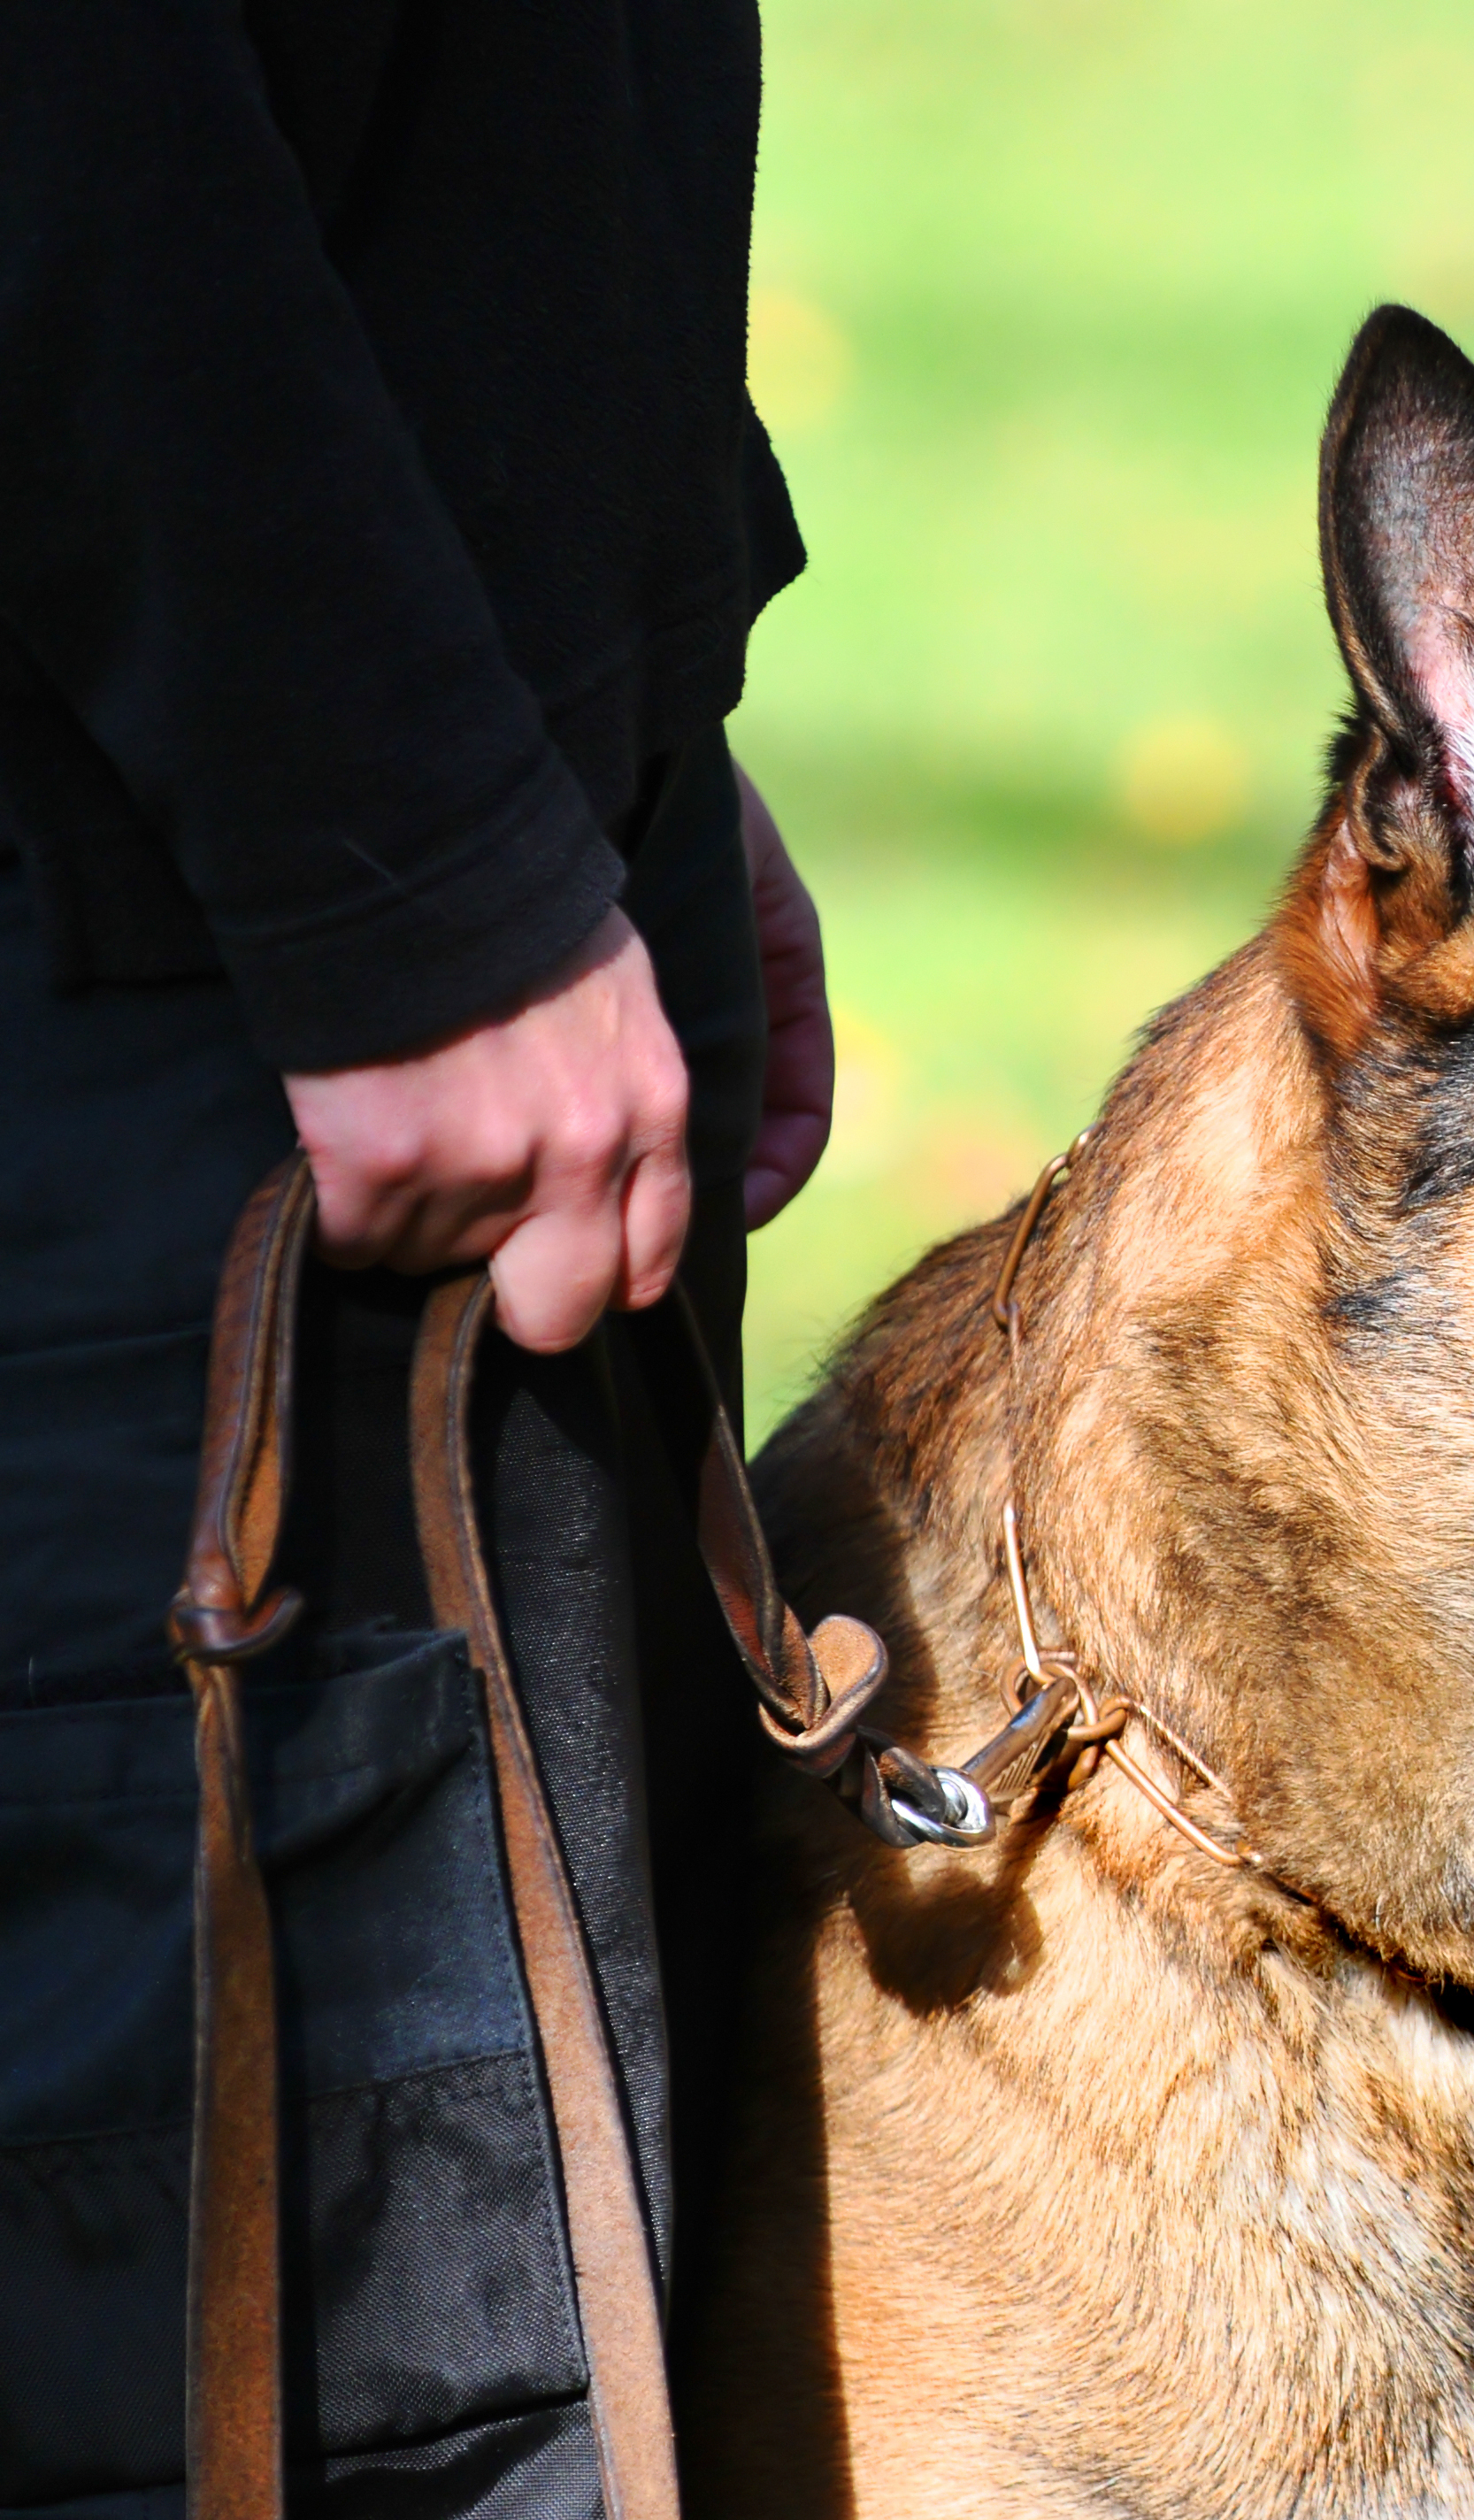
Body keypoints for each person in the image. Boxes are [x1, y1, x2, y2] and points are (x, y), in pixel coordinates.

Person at [0, 6, 827, 2508]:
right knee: (281, 2371)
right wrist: (404, 856)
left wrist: (606, 736)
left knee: (551, 2307)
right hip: (172, 933)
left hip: (413, 823)